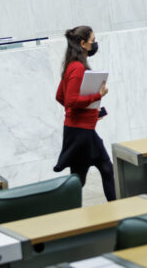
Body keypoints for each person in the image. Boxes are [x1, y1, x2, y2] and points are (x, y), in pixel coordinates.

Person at [53, 26, 116, 201]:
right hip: (81, 133)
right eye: (93, 41)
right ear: (83, 44)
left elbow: (61, 96)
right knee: (90, 175)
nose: (95, 44)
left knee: (100, 171)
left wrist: (90, 113)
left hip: (81, 130)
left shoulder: (71, 66)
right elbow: (70, 101)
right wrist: (98, 96)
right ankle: (66, 213)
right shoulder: (78, 68)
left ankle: (69, 214)